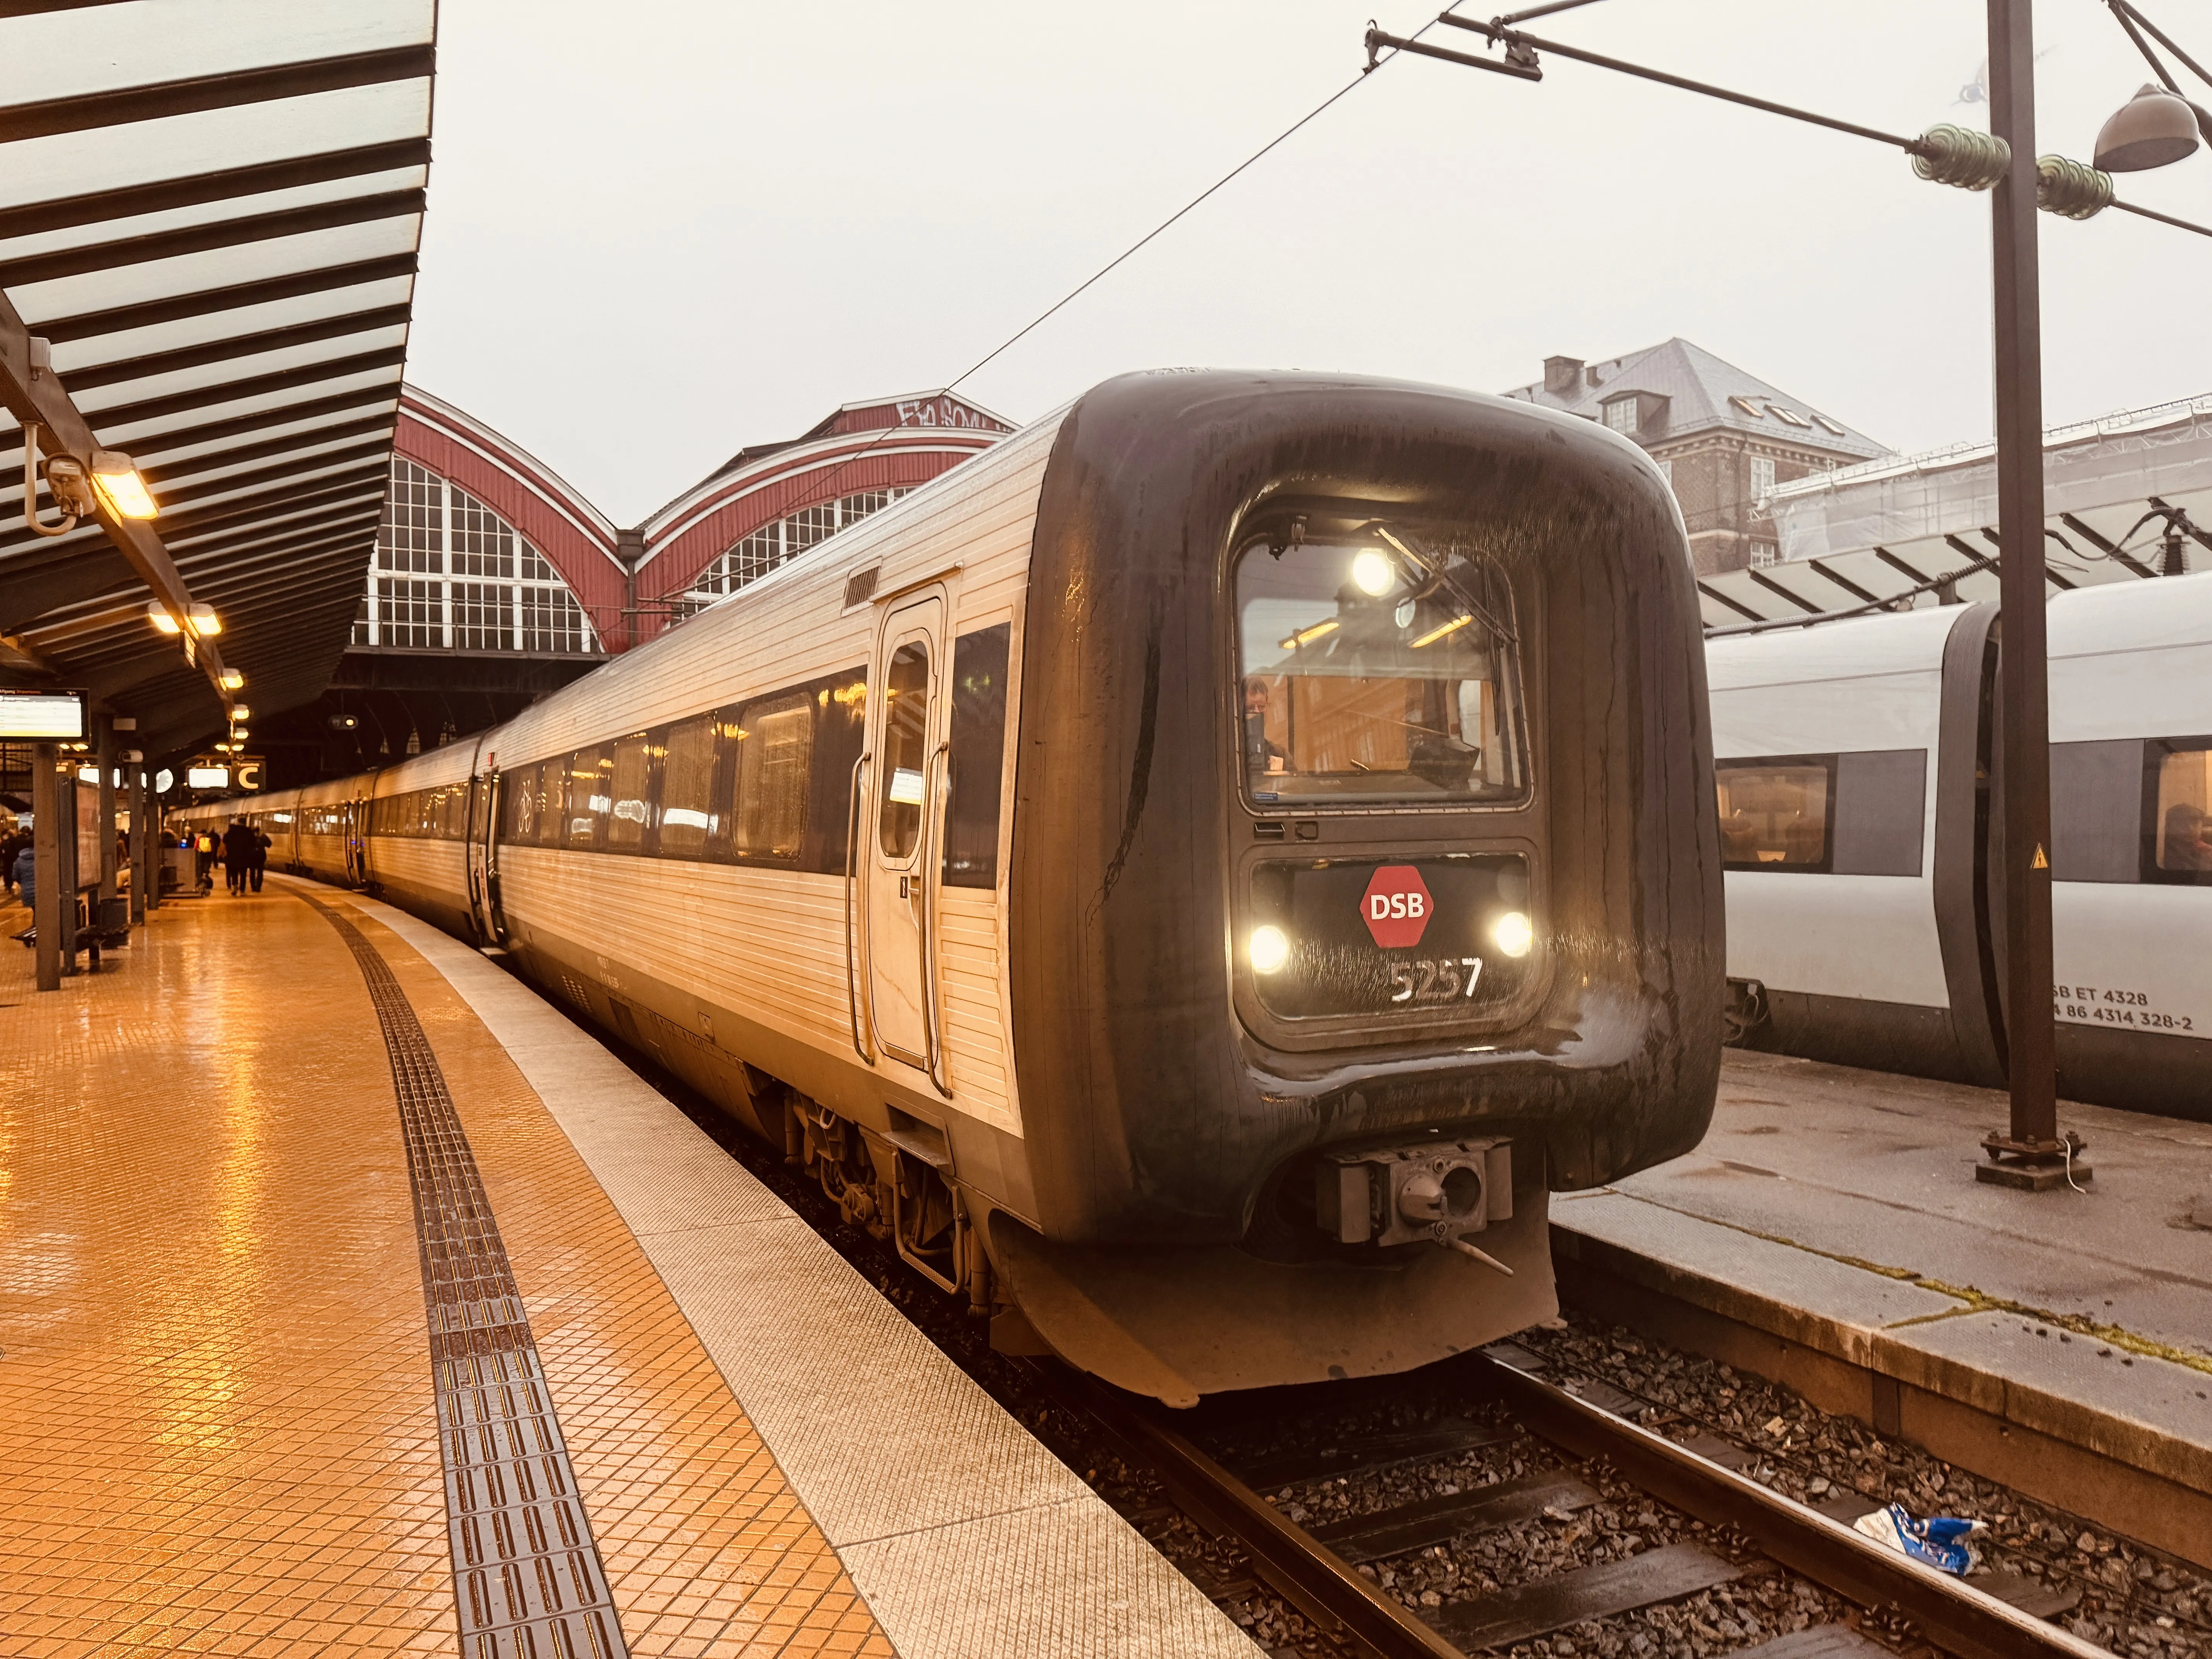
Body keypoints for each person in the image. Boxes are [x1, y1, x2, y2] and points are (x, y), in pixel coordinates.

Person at [1243, 676, 1287, 782]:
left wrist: (1282, 777)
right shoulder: (1228, 751)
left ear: (1267, 708)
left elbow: (1296, 788)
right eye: (1251, 708)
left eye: (1262, 707)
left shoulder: (1280, 754)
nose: (1257, 713)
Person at [221, 818, 255, 895]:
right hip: (245, 856)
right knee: (243, 873)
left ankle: (235, 885)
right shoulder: (248, 831)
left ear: (238, 823)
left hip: (233, 856)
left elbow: (225, 841)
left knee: (234, 872)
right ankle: (242, 890)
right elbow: (253, 843)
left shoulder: (232, 831)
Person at [249, 823, 270, 893]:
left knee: (252, 873)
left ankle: (253, 887)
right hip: (261, 857)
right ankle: (258, 888)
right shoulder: (263, 836)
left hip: (252, 857)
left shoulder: (250, 837)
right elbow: (269, 844)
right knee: (260, 873)